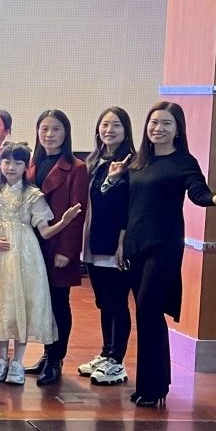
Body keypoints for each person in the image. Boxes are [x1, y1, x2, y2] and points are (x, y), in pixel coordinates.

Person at [105, 102, 216, 407]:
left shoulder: (183, 162)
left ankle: (152, 387)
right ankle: (156, 383)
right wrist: (114, 178)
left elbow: (199, 194)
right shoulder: (137, 161)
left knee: (148, 309)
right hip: (135, 244)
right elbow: (124, 204)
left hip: (164, 246)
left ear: (177, 129)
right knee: (147, 313)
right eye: (154, 123)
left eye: (166, 123)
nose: (158, 128)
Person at [0, 143, 82, 386]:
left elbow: (44, 231)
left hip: (23, 255)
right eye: (7, 162)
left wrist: (64, 222)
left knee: (19, 302)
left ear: (26, 166)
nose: (11, 167)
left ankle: (18, 361)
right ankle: (2, 357)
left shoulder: (32, 195)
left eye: (18, 162)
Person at [25, 110, 88, 385]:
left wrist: (67, 251)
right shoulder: (32, 165)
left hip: (58, 246)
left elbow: (78, 212)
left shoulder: (76, 167)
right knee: (43, 303)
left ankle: (56, 359)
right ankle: (47, 353)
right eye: (44, 129)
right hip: (33, 245)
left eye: (56, 129)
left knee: (59, 302)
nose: (49, 134)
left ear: (66, 133)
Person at [78, 107, 135, 386]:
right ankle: (105, 353)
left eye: (116, 125)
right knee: (103, 302)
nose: (109, 130)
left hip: (115, 243)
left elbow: (127, 207)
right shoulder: (94, 160)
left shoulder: (131, 163)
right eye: (104, 125)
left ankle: (117, 360)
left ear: (126, 130)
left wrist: (123, 242)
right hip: (94, 240)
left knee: (117, 301)